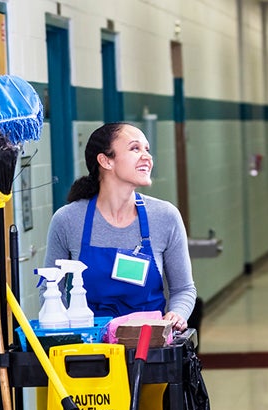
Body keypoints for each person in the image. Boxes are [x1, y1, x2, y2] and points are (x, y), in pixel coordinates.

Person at [43, 122, 195, 331]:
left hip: (148, 348)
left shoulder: (165, 216)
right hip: (90, 350)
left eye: (147, 150)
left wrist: (177, 314)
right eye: (135, 148)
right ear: (105, 160)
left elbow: (184, 289)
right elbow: (50, 290)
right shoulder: (68, 219)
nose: (147, 157)